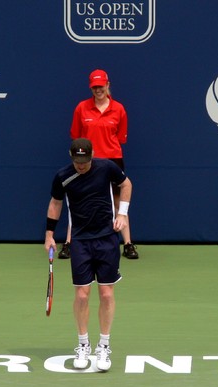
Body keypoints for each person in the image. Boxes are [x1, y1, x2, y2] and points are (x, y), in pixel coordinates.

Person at [44, 137, 133, 371]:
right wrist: (49, 235)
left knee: (105, 294)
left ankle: (104, 346)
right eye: (76, 160)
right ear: (70, 156)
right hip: (81, 241)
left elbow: (126, 185)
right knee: (82, 296)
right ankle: (83, 343)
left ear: (91, 155)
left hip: (106, 239)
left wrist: (122, 214)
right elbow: (55, 204)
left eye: (84, 160)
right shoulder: (64, 176)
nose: (80, 165)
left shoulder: (106, 168)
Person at [58, 69, 139, 260]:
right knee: (79, 200)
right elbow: (77, 138)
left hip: (112, 159)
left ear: (107, 85)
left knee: (119, 201)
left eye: (101, 86)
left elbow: (120, 137)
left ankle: (127, 244)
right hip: (87, 161)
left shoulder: (119, 109)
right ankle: (69, 242)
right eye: (94, 87)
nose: (98, 90)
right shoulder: (81, 108)